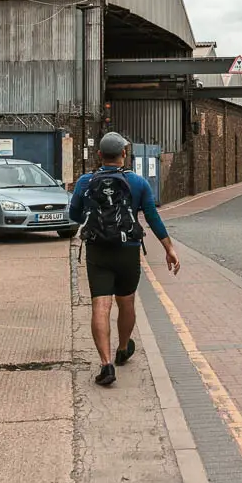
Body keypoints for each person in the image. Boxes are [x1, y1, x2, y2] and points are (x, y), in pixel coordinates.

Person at [69, 132, 180, 387]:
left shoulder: (86, 181)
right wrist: (169, 248)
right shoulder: (138, 183)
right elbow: (152, 217)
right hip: (128, 250)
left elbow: (74, 214)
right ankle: (122, 348)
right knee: (126, 301)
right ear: (124, 154)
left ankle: (106, 364)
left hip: (98, 251)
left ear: (99, 155)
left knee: (101, 305)